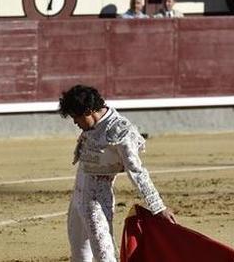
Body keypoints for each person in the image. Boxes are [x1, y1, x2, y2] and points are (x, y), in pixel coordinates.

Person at [59, 84, 175, 262]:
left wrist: (157, 206)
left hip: (97, 201)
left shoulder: (121, 131)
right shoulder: (91, 125)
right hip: (78, 197)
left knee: (105, 256)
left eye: (76, 117)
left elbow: (137, 171)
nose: (75, 122)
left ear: (89, 111)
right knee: (80, 256)